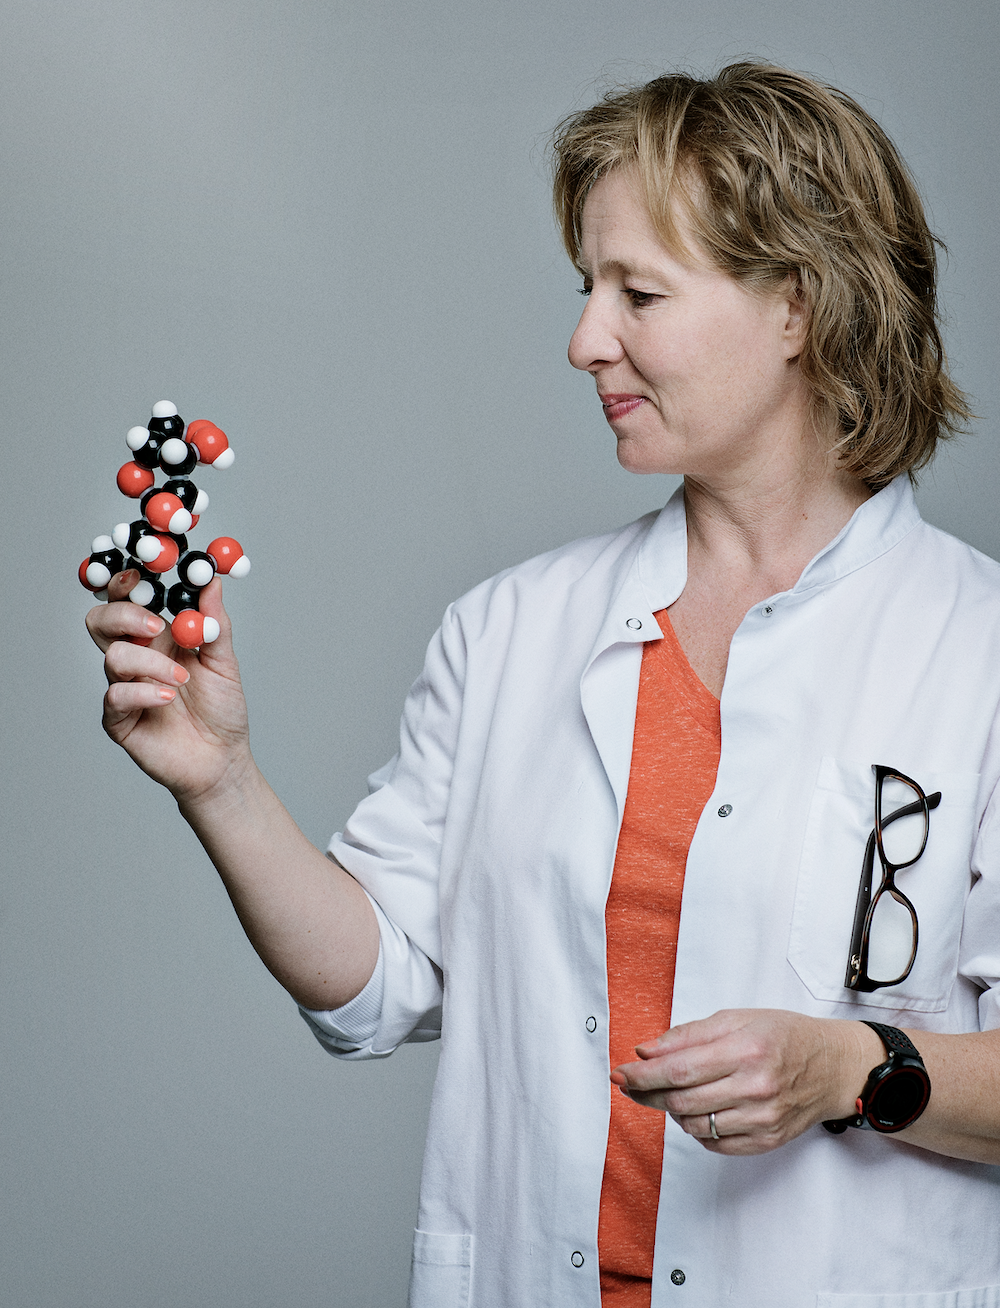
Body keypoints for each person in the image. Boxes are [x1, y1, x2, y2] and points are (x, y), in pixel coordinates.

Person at [86, 62, 1000, 1308]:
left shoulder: (974, 650)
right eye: (586, 289)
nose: (584, 342)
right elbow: (378, 981)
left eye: (639, 293)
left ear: (796, 304)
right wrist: (221, 781)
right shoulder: (509, 630)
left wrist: (854, 1067)